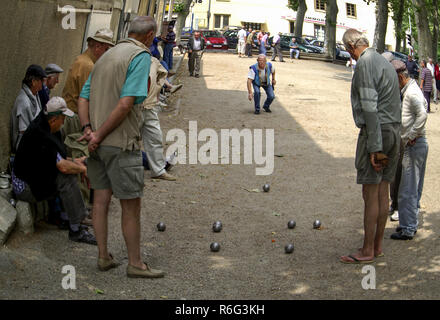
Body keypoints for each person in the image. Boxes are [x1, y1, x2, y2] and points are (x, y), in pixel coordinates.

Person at [77, 16, 165, 278]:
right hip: (119, 143)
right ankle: (136, 264)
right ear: (149, 36)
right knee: (131, 204)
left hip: (96, 145)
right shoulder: (138, 57)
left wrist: (88, 130)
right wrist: (100, 134)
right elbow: (126, 103)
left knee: (100, 200)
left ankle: (103, 256)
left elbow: (84, 96)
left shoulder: (106, 55)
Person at [340, 29, 401, 264]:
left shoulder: (365, 63)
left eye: (348, 51)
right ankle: (377, 246)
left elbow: (369, 107)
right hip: (393, 131)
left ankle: (367, 249)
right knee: (383, 191)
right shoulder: (384, 61)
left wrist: (375, 147)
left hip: (378, 134)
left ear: (351, 47)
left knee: (371, 192)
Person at [13, 97, 97, 245]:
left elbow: (57, 159)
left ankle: (65, 217)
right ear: (54, 119)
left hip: (34, 178)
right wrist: (82, 168)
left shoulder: (48, 127)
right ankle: (76, 228)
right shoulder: (40, 134)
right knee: (66, 177)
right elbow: (62, 166)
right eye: (63, 118)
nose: (64, 122)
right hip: (25, 187)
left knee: (71, 169)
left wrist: (77, 162)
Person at [62, 28, 115, 211]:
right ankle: (82, 206)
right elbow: (89, 99)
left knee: (81, 158)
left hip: (74, 116)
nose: (108, 53)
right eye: (107, 49)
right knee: (82, 158)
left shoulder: (83, 60)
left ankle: (84, 203)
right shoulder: (88, 66)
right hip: (77, 118)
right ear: (98, 47)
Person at [389, 60, 428, 240]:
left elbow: (422, 114)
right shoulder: (411, 90)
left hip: (414, 145)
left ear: (400, 77)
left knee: (408, 189)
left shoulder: (411, 93)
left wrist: (411, 135)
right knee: (412, 188)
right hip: (416, 144)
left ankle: (408, 228)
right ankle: (407, 222)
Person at [141, 56, 177, 181]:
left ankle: (158, 170)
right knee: (129, 141)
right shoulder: (127, 58)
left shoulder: (152, 60)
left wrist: (158, 90)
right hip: (133, 106)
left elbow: (162, 74)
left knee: (155, 137)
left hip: (149, 105)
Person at [10, 65, 47, 154]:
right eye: (41, 80)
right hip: (24, 146)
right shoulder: (24, 101)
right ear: (33, 82)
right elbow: (24, 132)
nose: (43, 84)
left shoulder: (35, 95)